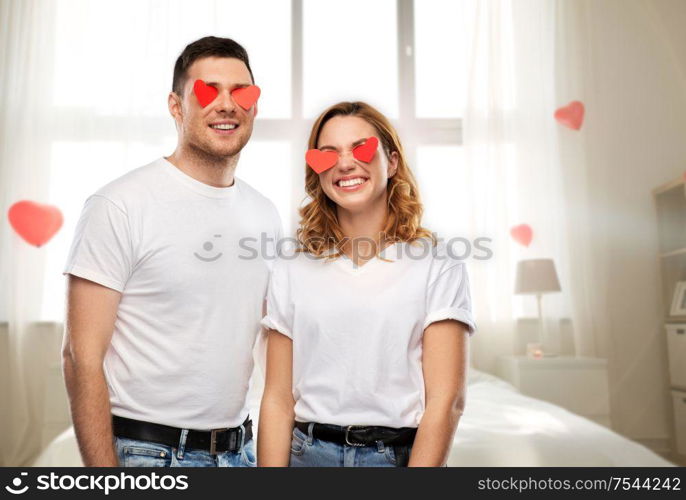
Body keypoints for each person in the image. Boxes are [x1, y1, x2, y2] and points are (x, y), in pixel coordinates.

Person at [61, 36, 281, 467]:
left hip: (239, 451)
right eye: (207, 90)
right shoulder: (119, 205)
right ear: (176, 106)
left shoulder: (265, 214)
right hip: (151, 454)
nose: (227, 104)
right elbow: (80, 356)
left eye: (242, 92)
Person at [257, 101, 476, 467]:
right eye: (328, 155)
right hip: (306, 456)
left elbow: (447, 401)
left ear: (391, 162)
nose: (345, 164)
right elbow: (278, 398)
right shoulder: (292, 264)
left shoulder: (438, 263)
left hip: (394, 458)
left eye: (361, 148)